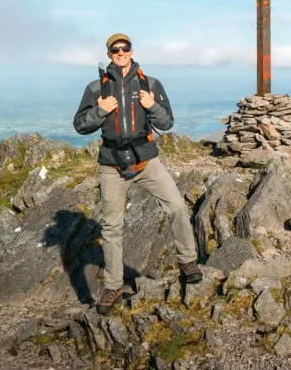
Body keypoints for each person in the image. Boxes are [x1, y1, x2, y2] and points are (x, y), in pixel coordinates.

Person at [73, 33, 202, 315]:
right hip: (112, 164)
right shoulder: (96, 88)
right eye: (114, 49)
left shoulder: (150, 84)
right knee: (111, 227)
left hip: (146, 160)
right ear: (108, 54)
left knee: (177, 207)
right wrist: (99, 110)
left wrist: (151, 105)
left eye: (125, 48)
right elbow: (80, 125)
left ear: (132, 50)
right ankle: (113, 286)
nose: (120, 52)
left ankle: (188, 262)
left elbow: (167, 123)